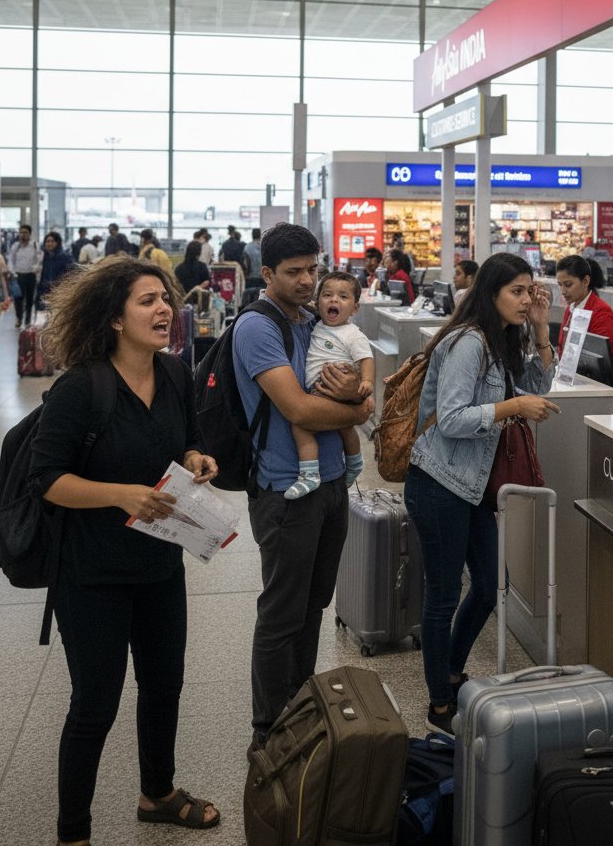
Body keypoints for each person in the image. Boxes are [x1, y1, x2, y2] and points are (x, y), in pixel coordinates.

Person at [27, 255, 221, 845]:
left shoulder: (177, 374)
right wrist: (121, 495)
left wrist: (196, 459)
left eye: (165, 299)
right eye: (147, 301)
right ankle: (73, 832)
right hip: (91, 574)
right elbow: (46, 479)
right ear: (115, 318)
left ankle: (156, 793)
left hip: (160, 565)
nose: (164, 309)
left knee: (164, 687)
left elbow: (188, 439)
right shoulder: (81, 387)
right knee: (95, 704)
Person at [231, 223, 374, 748]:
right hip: (285, 488)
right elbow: (299, 408)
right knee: (282, 612)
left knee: (314, 604)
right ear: (267, 273)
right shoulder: (257, 327)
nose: (308, 281)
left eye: (313, 269)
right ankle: (268, 732)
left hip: (331, 481)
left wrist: (357, 400)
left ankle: (300, 705)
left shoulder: (314, 320)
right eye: (294, 272)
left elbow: (362, 392)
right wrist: (355, 409)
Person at [405, 253, 557, 734]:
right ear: (491, 294)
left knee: (491, 586)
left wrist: (542, 332)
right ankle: (439, 704)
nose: (526, 299)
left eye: (530, 290)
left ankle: (451, 671)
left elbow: (537, 386)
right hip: (439, 481)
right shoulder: (469, 342)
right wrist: (512, 407)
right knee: (444, 596)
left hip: (470, 486)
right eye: (516, 291)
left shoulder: (501, 339)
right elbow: (451, 419)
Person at [285, 271, 374, 499]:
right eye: (327, 295)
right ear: (317, 303)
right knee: (345, 427)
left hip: (329, 388)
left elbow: (366, 359)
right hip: (322, 387)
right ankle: (354, 462)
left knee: (301, 427)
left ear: (355, 308)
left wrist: (366, 381)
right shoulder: (317, 325)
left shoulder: (352, 334)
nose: (334, 300)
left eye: (343, 296)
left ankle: (309, 474)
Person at [555, 254, 613, 374]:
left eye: (568, 285)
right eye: (560, 285)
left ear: (585, 281)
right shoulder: (570, 308)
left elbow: (597, 358)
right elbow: (562, 347)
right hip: (575, 371)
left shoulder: (601, 311)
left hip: (600, 375)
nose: (562, 291)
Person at [9, 223, 42, 329]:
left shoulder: (35, 245)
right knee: (18, 298)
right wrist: (12, 272)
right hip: (18, 276)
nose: (23, 235)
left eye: (25, 232)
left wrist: (36, 268)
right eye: (21, 232)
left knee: (29, 299)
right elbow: (11, 260)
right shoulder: (15, 246)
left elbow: (39, 259)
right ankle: (19, 318)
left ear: (29, 234)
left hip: (30, 275)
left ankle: (27, 319)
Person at [36, 232, 76, 313]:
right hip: (45, 292)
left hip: (60, 292)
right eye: (47, 241)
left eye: (52, 241)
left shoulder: (66, 257)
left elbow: (72, 274)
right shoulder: (42, 258)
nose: (50, 244)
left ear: (58, 243)